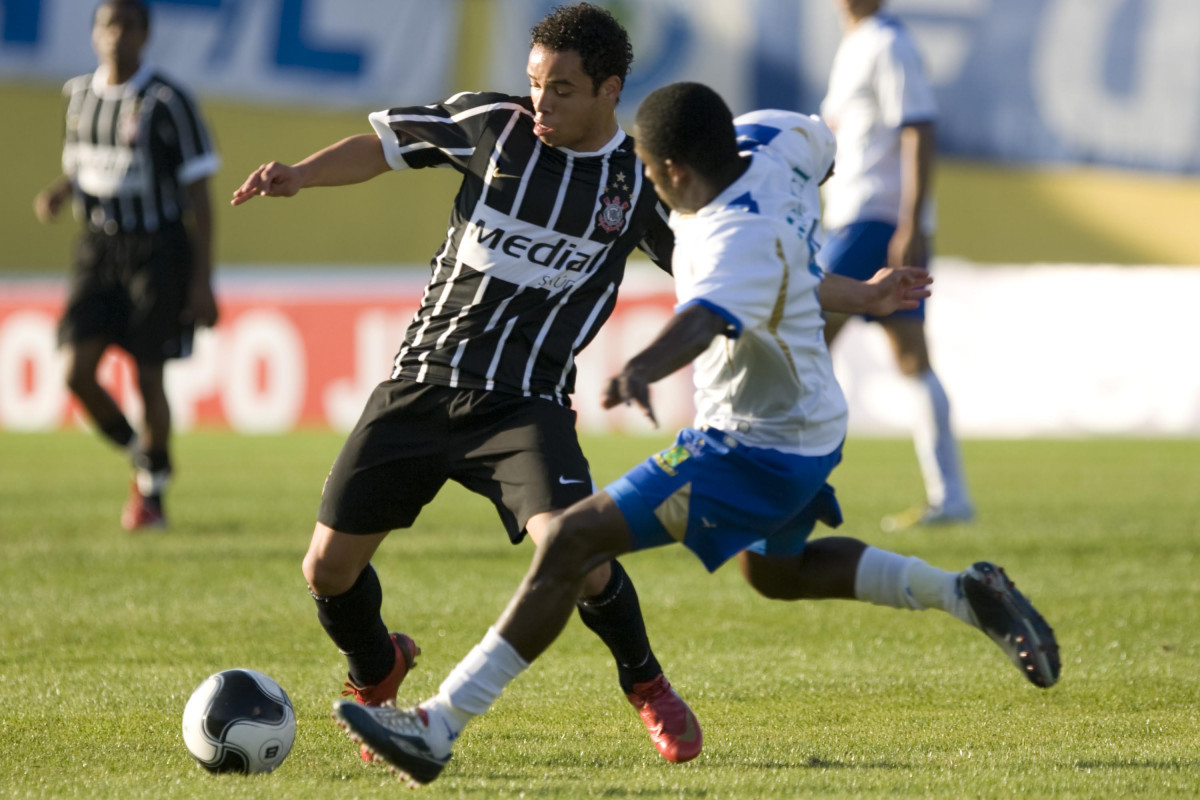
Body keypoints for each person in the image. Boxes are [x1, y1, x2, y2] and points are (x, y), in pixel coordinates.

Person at [330, 82, 1062, 786]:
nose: (652, 190)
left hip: (748, 449)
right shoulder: (776, 139)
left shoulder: (722, 240)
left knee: (574, 541)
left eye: (651, 175)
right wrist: (854, 284)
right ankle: (967, 593)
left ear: (675, 169)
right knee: (778, 573)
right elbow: (822, 170)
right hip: (812, 426)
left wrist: (644, 365)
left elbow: (705, 316)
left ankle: (437, 726)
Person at [231, 3, 701, 765]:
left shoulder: (637, 180)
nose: (541, 102)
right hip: (421, 382)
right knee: (326, 570)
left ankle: (646, 683)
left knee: (577, 554)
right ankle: (377, 669)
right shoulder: (493, 125)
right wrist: (300, 176)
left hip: (523, 404)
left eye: (563, 89)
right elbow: (382, 148)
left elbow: (709, 272)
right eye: (535, 83)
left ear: (610, 90)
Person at [33, 0, 219, 531]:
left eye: (128, 25)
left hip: (158, 250)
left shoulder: (167, 101)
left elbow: (199, 192)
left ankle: (151, 495)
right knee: (76, 371)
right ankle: (146, 455)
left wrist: (202, 280)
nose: (116, 35)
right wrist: (59, 191)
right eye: (107, 25)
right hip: (97, 247)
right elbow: (84, 164)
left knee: (147, 374)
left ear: (145, 34)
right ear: (94, 34)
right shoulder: (78, 97)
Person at [819, 0, 973, 530]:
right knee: (911, 358)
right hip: (856, 216)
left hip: (873, 218)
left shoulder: (889, 42)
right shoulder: (858, 42)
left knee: (806, 336)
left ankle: (796, 482)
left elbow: (919, 129)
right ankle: (951, 496)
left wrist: (912, 222)